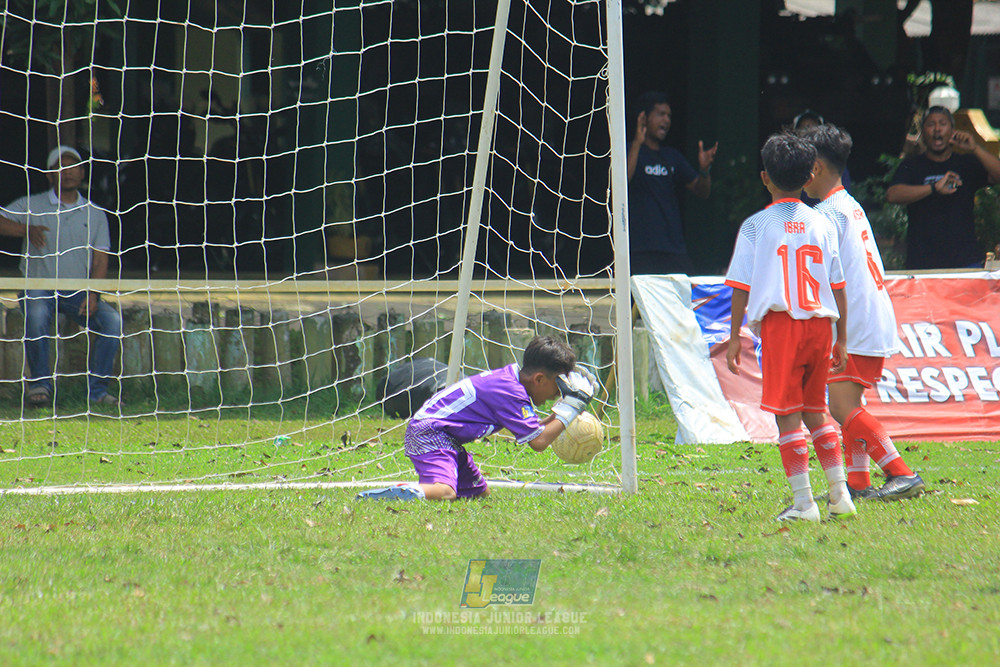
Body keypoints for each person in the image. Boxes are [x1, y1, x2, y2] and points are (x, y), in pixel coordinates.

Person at [724, 131, 854, 522]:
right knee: (816, 411)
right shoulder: (823, 223)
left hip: (783, 326)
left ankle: (804, 503)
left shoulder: (756, 226)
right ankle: (840, 496)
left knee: (787, 414)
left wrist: (734, 338)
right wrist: (842, 338)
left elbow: (740, 286)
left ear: (765, 177)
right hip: (821, 325)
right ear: (809, 175)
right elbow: (838, 285)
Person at [803, 124, 925, 501]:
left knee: (840, 406)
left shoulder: (826, 215)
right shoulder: (849, 205)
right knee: (849, 404)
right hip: (869, 318)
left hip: (854, 324)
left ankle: (901, 472)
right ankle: (857, 483)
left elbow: (824, 277)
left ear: (815, 168)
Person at [357, 336, 597, 501]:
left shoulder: (511, 381)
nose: (555, 396)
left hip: (445, 436)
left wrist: (563, 410)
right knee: (445, 492)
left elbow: (534, 432)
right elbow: (539, 442)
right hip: (430, 433)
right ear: (539, 379)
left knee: (478, 493)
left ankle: (413, 491)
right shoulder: (510, 392)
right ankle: (396, 492)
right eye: (557, 389)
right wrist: (571, 406)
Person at [0, 146, 123, 407]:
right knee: (36, 314)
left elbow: (101, 259)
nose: (68, 172)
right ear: (50, 175)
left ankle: (98, 392)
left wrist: (93, 294)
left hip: (78, 291)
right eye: (61, 168)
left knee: (112, 321)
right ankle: (40, 385)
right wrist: (25, 229)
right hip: (38, 287)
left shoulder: (95, 212)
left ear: (82, 173)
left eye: (73, 167)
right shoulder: (32, 203)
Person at [886, 106, 1000, 270]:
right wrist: (933, 188)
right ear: (923, 132)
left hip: (965, 262)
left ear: (952, 131)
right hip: (922, 264)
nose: (937, 129)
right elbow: (893, 195)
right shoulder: (912, 166)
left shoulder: (966, 163)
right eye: (931, 124)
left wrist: (975, 148)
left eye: (942, 124)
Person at [627, 90, 718, 275]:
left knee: (687, 290)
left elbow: (702, 191)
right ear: (644, 118)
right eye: (661, 114)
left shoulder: (672, 156)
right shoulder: (631, 151)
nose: (666, 120)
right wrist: (637, 142)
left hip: (672, 247)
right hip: (640, 247)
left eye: (669, 116)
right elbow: (623, 181)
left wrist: (704, 170)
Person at [792, 110, 851, 205]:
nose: (808, 131)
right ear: (796, 133)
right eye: (804, 127)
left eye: (813, 127)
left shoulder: (833, 160)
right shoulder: (791, 163)